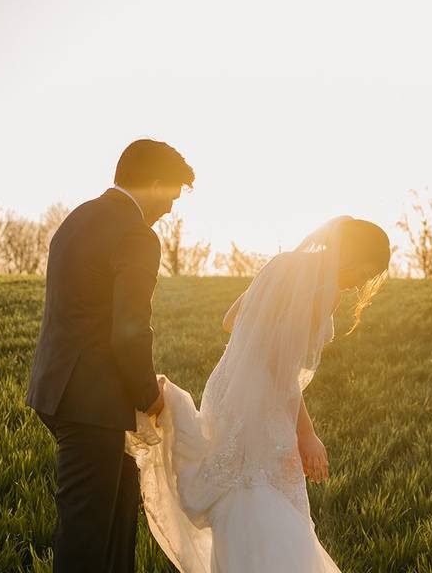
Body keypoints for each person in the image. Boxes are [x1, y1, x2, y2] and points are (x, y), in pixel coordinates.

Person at [127, 216, 391, 572]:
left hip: (227, 391)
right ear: (353, 256)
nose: (360, 283)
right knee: (262, 490)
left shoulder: (283, 265)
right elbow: (283, 371)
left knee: (240, 488)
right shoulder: (323, 290)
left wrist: (255, 347)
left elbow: (231, 320)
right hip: (264, 402)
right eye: (364, 272)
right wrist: (307, 434)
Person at [25, 138, 194, 573]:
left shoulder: (77, 219)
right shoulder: (137, 235)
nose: (171, 209)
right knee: (87, 537)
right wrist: (147, 395)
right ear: (154, 183)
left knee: (117, 517)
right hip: (93, 402)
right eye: (172, 195)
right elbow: (129, 329)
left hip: (60, 390)